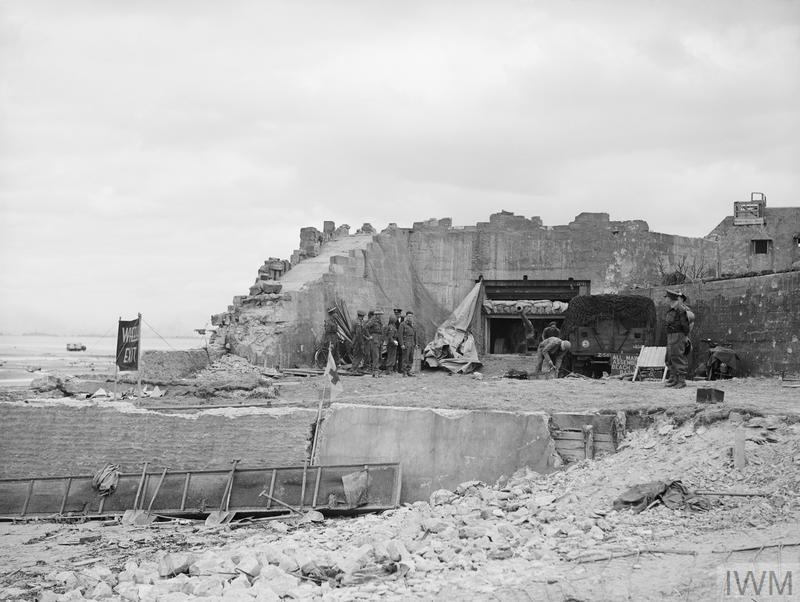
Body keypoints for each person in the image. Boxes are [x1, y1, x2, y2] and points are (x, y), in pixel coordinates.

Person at [664, 289, 691, 389]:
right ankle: (674, 379)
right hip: (671, 335)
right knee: (670, 357)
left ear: (671, 298)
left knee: (678, 356)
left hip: (678, 335)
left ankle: (681, 381)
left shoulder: (681, 310)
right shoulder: (672, 309)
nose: (665, 299)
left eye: (666, 297)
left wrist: (684, 337)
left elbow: (686, 326)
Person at [398, 311, 419, 376]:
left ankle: (408, 371)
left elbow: (415, 335)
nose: (410, 317)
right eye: (409, 316)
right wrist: (401, 344)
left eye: (411, 316)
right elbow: (400, 335)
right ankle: (404, 372)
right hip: (406, 343)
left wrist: (416, 344)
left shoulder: (413, 325)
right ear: (406, 317)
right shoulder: (402, 324)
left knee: (411, 358)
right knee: (405, 358)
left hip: (412, 343)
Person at [365, 309, 384, 377]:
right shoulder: (373, 320)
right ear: (376, 315)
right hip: (375, 338)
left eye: (380, 315)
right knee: (376, 355)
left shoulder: (379, 321)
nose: (380, 316)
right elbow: (366, 327)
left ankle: (376, 370)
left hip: (379, 338)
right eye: (379, 315)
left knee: (379, 356)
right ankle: (375, 371)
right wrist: (369, 336)